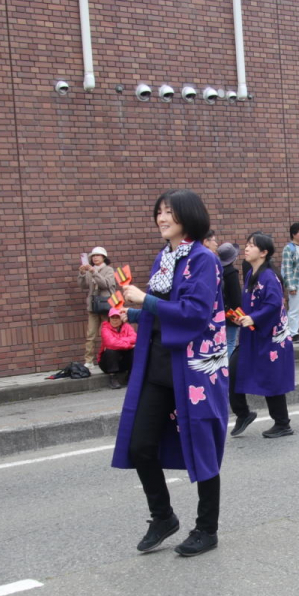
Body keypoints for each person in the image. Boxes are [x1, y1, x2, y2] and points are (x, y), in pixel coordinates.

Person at [112, 189, 228, 557]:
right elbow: (163, 309)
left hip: (193, 367)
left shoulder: (204, 260)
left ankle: (206, 528)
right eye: (159, 212)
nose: (162, 218)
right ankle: (163, 516)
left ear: (188, 216)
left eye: (169, 213)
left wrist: (143, 300)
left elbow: (194, 312)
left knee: (202, 444)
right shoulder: (164, 257)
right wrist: (131, 313)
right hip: (158, 363)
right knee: (140, 444)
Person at [230, 232, 297, 439]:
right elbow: (251, 304)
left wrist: (254, 319)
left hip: (271, 337)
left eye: (251, 245)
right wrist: (242, 316)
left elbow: (274, 304)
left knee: (271, 379)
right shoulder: (251, 273)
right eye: (247, 244)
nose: (246, 248)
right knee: (233, 369)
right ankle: (243, 413)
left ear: (264, 252)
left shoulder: (269, 276)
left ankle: (282, 423)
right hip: (253, 335)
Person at [77, 246, 117, 367]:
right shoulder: (90, 270)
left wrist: (94, 272)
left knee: (108, 334)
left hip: (106, 306)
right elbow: (83, 285)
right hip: (93, 307)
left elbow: (105, 284)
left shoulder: (109, 270)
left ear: (104, 257)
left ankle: (107, 359)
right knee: (91, 335)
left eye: (97, 255)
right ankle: (88, 360)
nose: (95, 258)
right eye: (93, 256)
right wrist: (82, 274)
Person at [97, 306, 136, 388]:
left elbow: (135, 338)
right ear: (109, 318)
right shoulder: (105, 328)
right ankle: (113, 377)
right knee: (111, 350)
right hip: (107, 364)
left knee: (135, 349)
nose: (115, 320)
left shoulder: (127, 327)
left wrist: (119, 341)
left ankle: (131, 376)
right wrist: (128, 344)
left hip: (122, 362)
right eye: (112, 317)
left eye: (117, 317)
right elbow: (111, 343)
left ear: (121, 318)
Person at [217, 242, 243, 358]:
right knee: (231, 341)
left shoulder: (217, 270)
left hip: (219, 310)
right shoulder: (232, 273)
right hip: (231, 312)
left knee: (222, 342)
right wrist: (239, 314)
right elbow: (236, 297)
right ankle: (229, 368)